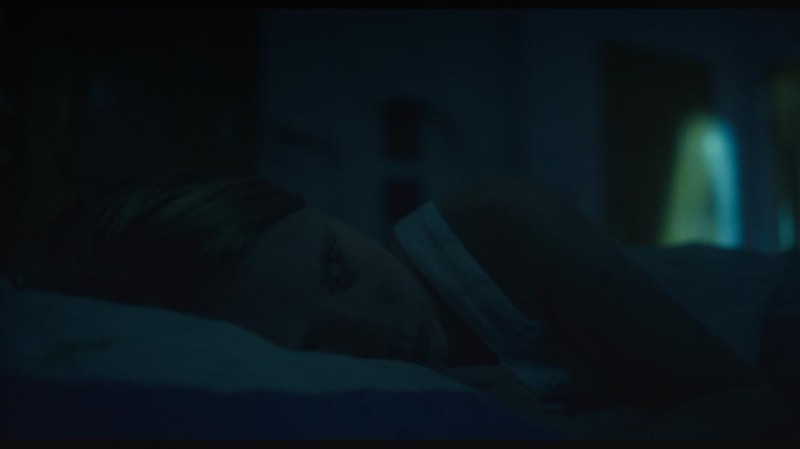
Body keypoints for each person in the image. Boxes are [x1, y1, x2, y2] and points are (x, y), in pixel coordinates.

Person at [11, 170, 787, 439]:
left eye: (338, 267)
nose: (379, 329)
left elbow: (757, 405)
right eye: (320, 344)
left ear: (318, 207)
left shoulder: (500, 228)